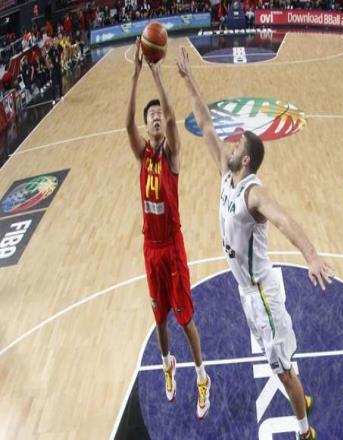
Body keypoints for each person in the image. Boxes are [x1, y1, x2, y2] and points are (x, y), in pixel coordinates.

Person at [177, 46, 334, 440]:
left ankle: (305, 431)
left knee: (281, 369)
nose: (230, 147)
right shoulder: (226, 174)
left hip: (263, 293)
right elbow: (205, 124)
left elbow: (284, 219)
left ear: (246, 160)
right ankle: (297, 395)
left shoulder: (253, 193)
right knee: (276, 362)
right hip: (247, 292)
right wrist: (190, 80)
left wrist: (311, 255)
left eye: (237, 147)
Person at [126, 39, 211, 419]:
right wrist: (135, 77)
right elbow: (126, 124)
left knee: (184, 318)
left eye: (160, 114)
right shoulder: (142, 153)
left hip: (172, 248)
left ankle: (202, 375)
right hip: (151, 248)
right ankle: (167, 364)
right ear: (146, 127)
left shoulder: (171, 156)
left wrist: (158, 76)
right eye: (152, 116)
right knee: (159, 318)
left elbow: (175, 121)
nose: (157, 117)